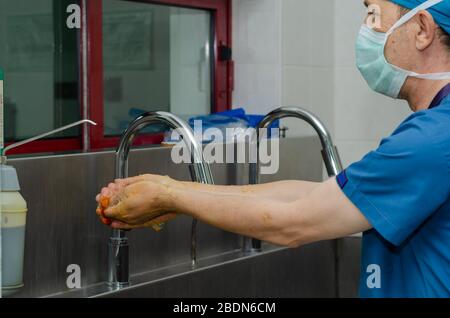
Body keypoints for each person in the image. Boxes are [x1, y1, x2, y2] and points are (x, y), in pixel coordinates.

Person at [96, 0, 450, 297]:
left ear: (421, 28)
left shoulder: (433, 138)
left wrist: (170, 195)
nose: (365, 30)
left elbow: (294, 222)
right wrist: (177, 192)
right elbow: (314, 198)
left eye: (373, 14)